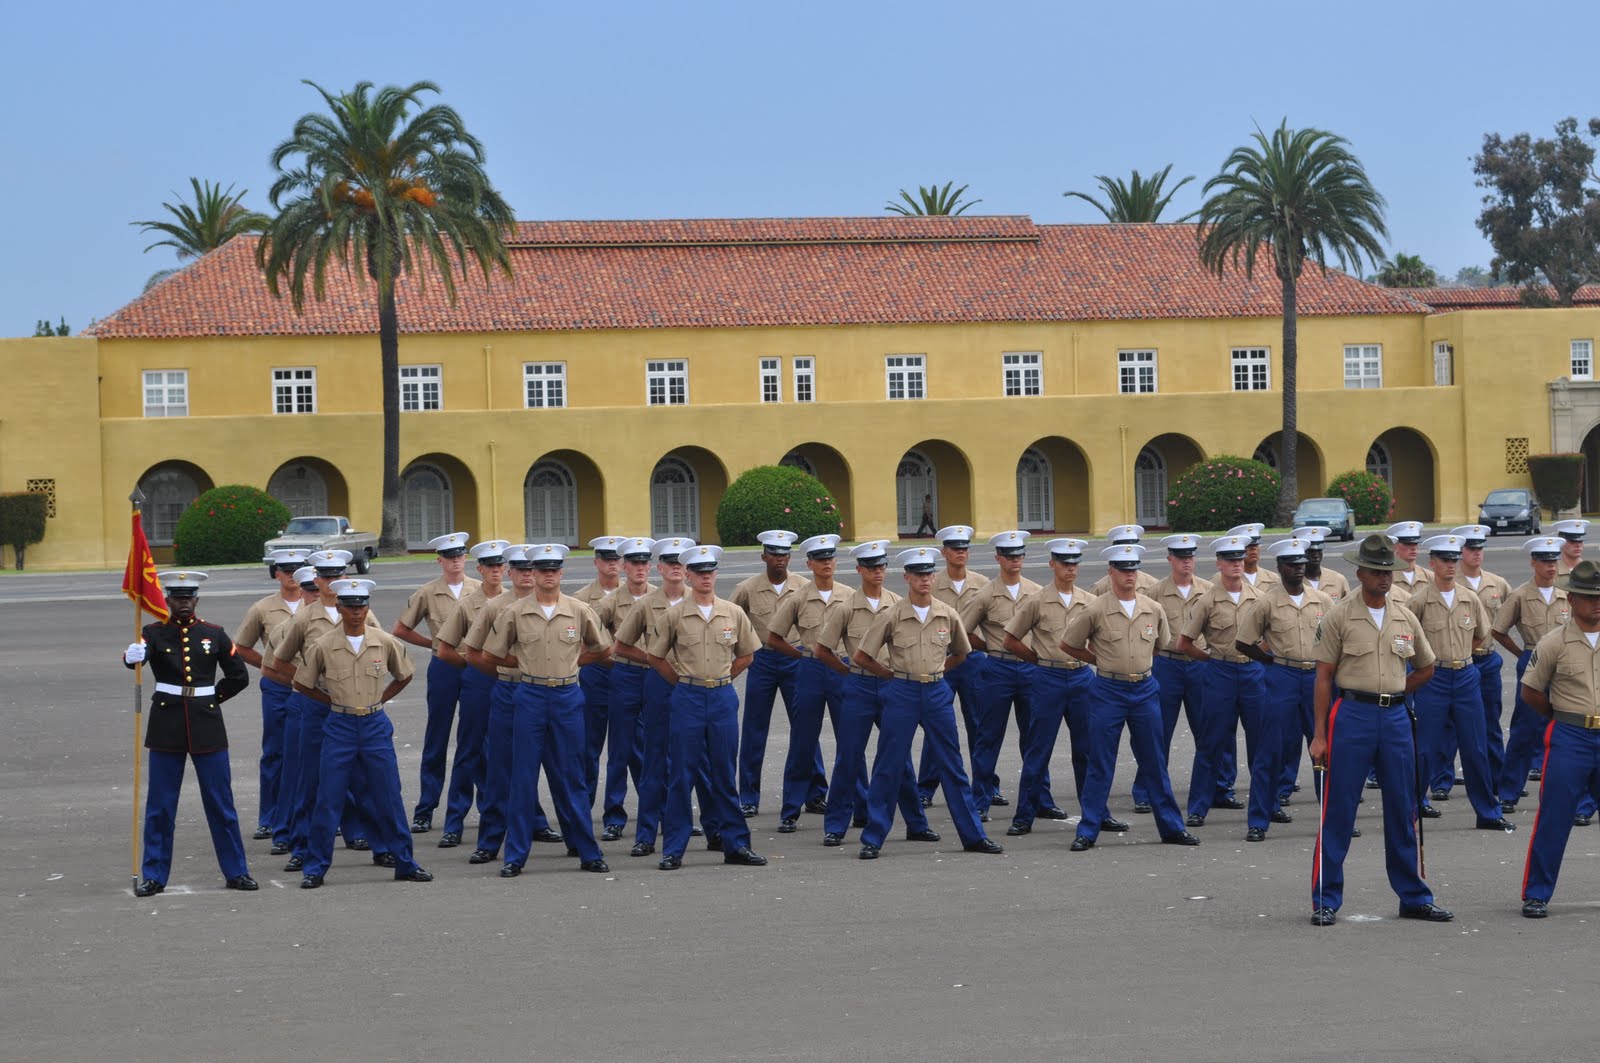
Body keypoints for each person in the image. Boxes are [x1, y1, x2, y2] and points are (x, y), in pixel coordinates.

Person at [1308, 533, 1452, 927]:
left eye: (1388, 571)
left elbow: (1426, 667)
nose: (1384, 578)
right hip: (1351, 715)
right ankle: (1326, 898)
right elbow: (1323, 677)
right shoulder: (1339, 615)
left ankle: (1413, 896)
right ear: (1360, 573)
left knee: (1403, 808)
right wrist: (1319, 735)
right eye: (1376, 571)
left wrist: (1393, 690)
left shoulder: (1404, 615)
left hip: (1394, 718)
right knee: (1338, 809)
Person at [852, 546, 1003, 860]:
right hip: (902, 692)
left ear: (934, 577)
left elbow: (962, 653)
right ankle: (873, 837)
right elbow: (862, 656)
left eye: (929, 573)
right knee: (888, 765)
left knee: (953, 766)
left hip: (936, 692)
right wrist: (890, 675)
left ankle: (973, 835)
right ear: (906, 577)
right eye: (918, 574)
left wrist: (936, 673)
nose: (924, 579)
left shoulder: (947, 613)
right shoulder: (892, 614)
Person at [478, 543, 612, 876]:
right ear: (533, 574)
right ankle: (516, 856)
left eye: (554, 570)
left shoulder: (578, 610)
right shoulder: (515, 611)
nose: (548, 575)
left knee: (572, 777)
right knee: (523, 777)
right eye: (542, 570)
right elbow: (490, 655)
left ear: (561, 573)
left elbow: (604, 648)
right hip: (531, 695)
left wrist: (574, 662)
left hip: (567, 697)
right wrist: (522, 664)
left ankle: (587, 851)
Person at [292, 578, 434, 889]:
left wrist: (380, 698)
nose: (356, 612)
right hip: (339, 726)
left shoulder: (383, 641)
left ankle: (405, 862)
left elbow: (405, 674)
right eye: (350, 606)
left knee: (388, 796)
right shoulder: (323, 646)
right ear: (339, 608)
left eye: (361, 606)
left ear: (367, 608)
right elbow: (302, 683)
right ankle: (315, 867)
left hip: (373, 725)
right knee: (328, 799)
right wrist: (331, 701)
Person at [123, 571, 254, 896]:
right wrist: (130, 656)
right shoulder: (152, 633)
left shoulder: (215, 634)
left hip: (206, 724)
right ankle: (154, 875)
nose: (183, 602)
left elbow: (238, 676)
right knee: (160, 806)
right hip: (166, 725)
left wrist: (211, 699)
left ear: (196, 599)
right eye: (177, 597)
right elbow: (135, 660)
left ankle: (236, 872)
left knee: (221, 804)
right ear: (167, 599)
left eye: (189, 597)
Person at [1062, 544, 1199, 852]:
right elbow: (1069, 644)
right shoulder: (1096, 608)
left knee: (1154, 760)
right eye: (1123, 570)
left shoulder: (1152, 607)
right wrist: (1102, 660)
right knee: (1100, 761)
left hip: (1144, 689)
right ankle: (1089, 829)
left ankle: (1171, 827)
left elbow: (1161, 646)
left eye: (1133, 569)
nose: (1129, 575)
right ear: (1111, 572)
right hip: (1108, 690)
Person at [647, 544, 768, 870]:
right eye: (698, 572)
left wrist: (724, 678)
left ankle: (736, 845)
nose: (705, 577)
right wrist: (682, 682)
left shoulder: (732, 612)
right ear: (687, 574)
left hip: (721, 698)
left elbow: (747, 655)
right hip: (687, 696)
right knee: (682, 776)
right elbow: (655, 657)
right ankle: (674, 848)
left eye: (710, 571)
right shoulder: (673, 615)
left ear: (716, 574)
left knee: (724, 775)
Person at [267, 549, 387, 873]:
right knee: (309, 779)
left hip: (355, 708)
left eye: (338, 575)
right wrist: (310, 687)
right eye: (326, 576)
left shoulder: (363, 612)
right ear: (316, 579)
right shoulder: (305, 617)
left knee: (363, 779)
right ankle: (301, 845)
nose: (332, 581)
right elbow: (276, 665)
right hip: (317, 707)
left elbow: (383, 652)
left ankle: (377, 841)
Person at [813, 540, 939, 846]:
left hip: (893, 685)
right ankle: (836, 826)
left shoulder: (898, 603)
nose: (878, 571)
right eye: (871, 567)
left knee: (900, 758)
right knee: (849, 757)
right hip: (859, 686)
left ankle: (916, 823)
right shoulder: (847, 608)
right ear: (859, 570)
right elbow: (822, 649)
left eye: (881, 566)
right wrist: (848, 672)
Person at [460, 544, 566, 865]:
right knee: (502, 769)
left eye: (528, 569)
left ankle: (551, 828)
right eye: (519, 569)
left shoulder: (563, 606)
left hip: (551, 694)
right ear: (513, 572)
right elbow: (473, 651)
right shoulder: (497, 607)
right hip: (509, 691)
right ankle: (491, 841)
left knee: (559, 767)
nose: (525, 575)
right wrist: (509, 669)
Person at [614, 537, 715, 856]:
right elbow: (621, 646)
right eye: (669, 563)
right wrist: (654, 659)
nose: (675, 568)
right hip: (659, 683)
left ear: (687, 570)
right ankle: (646, 834)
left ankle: (715, 830)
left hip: (695, 685)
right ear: (659, 568)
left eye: (679, 564)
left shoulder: (699, 600)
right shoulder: (646, 604)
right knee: (655, 760)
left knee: (701, 760)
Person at [1407, 534, 1513, 830]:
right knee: (1425, 748)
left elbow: (1482, 634)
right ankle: (1411, 809)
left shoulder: (1469, 598)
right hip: (1434, 677)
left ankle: (1488, 813)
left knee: (1475, 747)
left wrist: (1462, 654)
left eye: (1454, 560)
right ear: (1432, 563)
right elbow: (1409, 639)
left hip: (1466, 675)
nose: (1450, 566)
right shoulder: (1418, 602)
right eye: (1444, 560)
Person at [1000, 537, 1102, 835]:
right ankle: (1024, 815)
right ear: (1052, 565)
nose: (1071, 569)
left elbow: (1100, 640)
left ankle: (1095, 812)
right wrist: (1038, 660)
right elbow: (1010, 640)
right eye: (1064, 563)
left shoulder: (1090, 601)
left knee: (1087, 749)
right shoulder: (1037, 600)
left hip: (1082, 677)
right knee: (1038, 749)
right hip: (1049, 678)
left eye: (1075, 563)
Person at [1517, 558, 1600, 918]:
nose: (1597, 602)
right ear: (1571, 600)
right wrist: (1560, 716)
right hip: (1570, 736)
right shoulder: (1554, 642)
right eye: (1588, 596)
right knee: (1554, 816)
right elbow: (1530, 692)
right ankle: (1537, 892)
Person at [1235, 538, 1331, 841]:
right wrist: (1271, 662)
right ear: (1279, 567)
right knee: (1269, 751)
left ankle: (1333, 818)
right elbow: (1242, 642)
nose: (1298, 569)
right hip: (1283, 677)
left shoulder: (1322, 600)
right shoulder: (1266, 602)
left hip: (1315, 677)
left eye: (1301, 563)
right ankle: (1259, 821)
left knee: (1324, 749)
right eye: (1291, 564)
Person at [766, 534, 860, 833]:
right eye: (820, 560)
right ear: (809, 564)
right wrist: (801, 655)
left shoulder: (850, 596)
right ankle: (791, 810)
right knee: (802, 740)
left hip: (842, 667)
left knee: (850, 739)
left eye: (830, 559)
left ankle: (860, 803)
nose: (827, 564)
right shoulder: (798, 598)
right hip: (809, 670)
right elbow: (774, 638)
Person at [393, 532, 481, 833]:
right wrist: (434, 642)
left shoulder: (481, 590)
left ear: (466, 558)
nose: (455, 561)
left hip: (475, 666)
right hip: (444, 666)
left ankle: (479, 806)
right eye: (449, 556)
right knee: (437, 737)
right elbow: (401, 629)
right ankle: (426, 807)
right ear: (439, 560)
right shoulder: (428, 592)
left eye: (460, 555)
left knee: (476, 737)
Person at [963, 530, 1051, 821]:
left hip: (1030, 668)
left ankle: (1040, 799)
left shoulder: (1036, 592)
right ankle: (981, 800)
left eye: (1019, 555)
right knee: (988, 737)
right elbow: (963, 632)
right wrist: (988, 645)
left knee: (1036, 736)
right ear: (998, 558)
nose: (1015, 560)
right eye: (1009, 555)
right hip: (998, 668)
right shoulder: (986, 594)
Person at [731, 529, 820, 817]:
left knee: (806, 727)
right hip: (764, 660)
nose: (779, 559)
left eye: (784, 554)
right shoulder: (747, 588)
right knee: (755, 729)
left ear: (790, 556)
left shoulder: (805, 586)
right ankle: (748, 796)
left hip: (796, 659)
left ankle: (815, 792)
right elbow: (731, 621)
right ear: (764, 557)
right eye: (774, 554)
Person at [430, 539, 510, 848]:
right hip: (478, 681)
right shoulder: (467, 603)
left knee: (515, 753)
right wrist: (472, 666)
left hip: (509, 682)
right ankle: (454, 822)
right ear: (480, 569)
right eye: (489, 566)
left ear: (506, 568)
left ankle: (530, 819)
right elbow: (444, 650)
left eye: (499, 565)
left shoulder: (515, 600)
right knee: (469, 751)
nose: (495, 571)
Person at [1177, 534, 1261, 827]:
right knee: (1211, 743)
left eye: (1239, 559)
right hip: (1220, 672)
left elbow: (1272, 637)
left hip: (1253, 673)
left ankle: (1267, 805)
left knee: (1261, 743)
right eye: (1229, 560)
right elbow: (1184, 643)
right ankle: (1199, 806)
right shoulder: (1207, 599)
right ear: (1219, 564)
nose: (1236, 564)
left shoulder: (1258, 597)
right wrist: (1210, 660)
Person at [232, 548, 307, 847]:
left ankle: (317, 815)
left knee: (319, 752)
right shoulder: (263, 609)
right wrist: (268, 665)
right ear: (276, 573)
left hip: (316, 687)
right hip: (279, 687)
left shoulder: (317, 603)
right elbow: (242, 646)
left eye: (297, 568)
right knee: (276, 752)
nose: (291, 574)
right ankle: (270, 818)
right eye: (285, 569)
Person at [1495, 536, 1574, 816]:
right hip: (1533, 659)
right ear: (1533, 563)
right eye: (1544, 561)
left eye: (1554, 560)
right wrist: (1521, 655)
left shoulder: (1568, 593)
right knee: (1525, 729)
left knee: (1566, 728)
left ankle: (1562, 795)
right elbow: (1498, 629)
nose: (1551, 566)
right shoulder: (1520, 595)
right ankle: (1508, 792)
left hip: (1565, 664)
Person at [920, 525, 992, 807]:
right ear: (944, 553)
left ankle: (986, 785)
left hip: (973, 660)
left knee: (979, 725)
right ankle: (926, 787)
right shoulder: (931, 584)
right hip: (943, 661)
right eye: (955, 549)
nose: (960, 553)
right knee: (937, 725)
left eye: (964, 548)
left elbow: (991, 622)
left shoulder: (982, 583)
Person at [590, 537, 656, 841]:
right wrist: (604, 655)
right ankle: (614, 815)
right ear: (624, 566)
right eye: (634, 563)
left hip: (657, 677)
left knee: (656, 748)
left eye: (645, 563)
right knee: (620, 748)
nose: (640, 568)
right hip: (625, 674)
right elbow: (587, 633)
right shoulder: (611, 601)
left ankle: (657, 811)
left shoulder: (660, 597)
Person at [1139, 533, 1210, 815]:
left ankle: (1213, 789)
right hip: (1167, 664)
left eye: (1190, 557)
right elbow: (1146, 632)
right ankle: (1146, 791)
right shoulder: (1154, 592)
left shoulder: (1208, 590)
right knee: (1158, 732)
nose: (1186, 562)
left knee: (1206, 731)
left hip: (1199, 665)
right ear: (1170, 559)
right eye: (1181, 557)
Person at [1452, 524, 1511, 797]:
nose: (1477, 553)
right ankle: (1442, 781)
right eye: (1471, 548)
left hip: (1487, 660)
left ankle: (1497, 778)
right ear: (1460, 552)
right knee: (1450, 726)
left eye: (1480, 548)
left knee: (1490, 723)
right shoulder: (1452, 584)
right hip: (1460, 662)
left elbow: (1510, 617)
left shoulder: (1497, 584)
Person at [574, 536, 626, 819]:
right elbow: (579, 642)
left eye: (616, 559)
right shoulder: (582, 599)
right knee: (589, 746)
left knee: (627, 748)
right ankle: (582, 808)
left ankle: (617, 812)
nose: (612, 564)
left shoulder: (643, 594)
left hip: (629, 675)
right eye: (606, 559)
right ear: (596, 563)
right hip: (596, 673)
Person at [1088, 525, 1159, 595]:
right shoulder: (1100, 589)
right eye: (1122, 546)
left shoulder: (1153, 585)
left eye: (1133, 547)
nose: (1127, 549)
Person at [1295, 527, 1350, 602]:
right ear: (1300, 552)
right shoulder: (1292, 582)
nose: (1316, 555)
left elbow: (1348, 609)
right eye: (1311, 551)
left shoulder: (1338, 580)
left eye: (1319, 550)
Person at [1384, 520, 1431, 604]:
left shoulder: (1430, 578)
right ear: (1395, 547)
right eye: (1407, 544)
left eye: (1415, 543)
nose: (1413, 548)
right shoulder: (1385, 578)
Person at [1227, 524, 1279, 591]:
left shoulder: (1273, 579)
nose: (1253, 549)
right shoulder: (1225, 579)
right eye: (1248, 545)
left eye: (1256, 545)